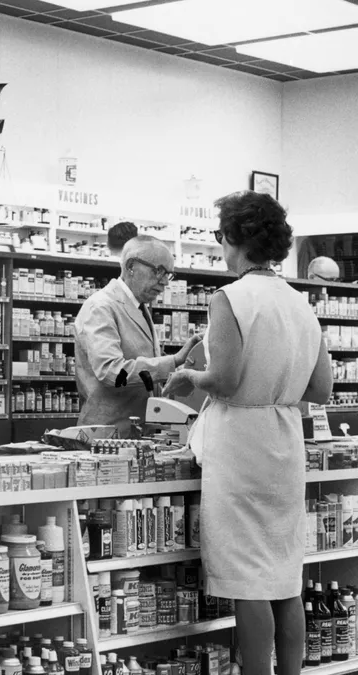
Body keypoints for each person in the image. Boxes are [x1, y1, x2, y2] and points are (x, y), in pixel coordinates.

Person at [164, 191, 332, 675]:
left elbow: (226, 381)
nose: (221, 246)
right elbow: (320, 388)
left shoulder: (230, 297)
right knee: (284, 576)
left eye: (221, 236)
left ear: (236, 238)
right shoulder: (300, 302)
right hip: (285, 440)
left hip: (241, 444)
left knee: (247, 579)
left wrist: (192, 377)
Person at [73, 235, 201, 431]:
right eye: (159, 271)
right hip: (108, 435)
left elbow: (141, 361)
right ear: (131, 266)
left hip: (136, 431)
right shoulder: (101, 307)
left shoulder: (139, 306)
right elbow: (112, 372)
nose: (165, 281)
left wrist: (180, 374)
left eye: (169, 274)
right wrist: (173, 361)